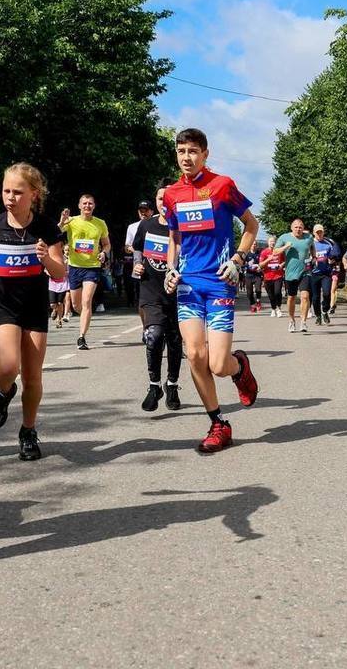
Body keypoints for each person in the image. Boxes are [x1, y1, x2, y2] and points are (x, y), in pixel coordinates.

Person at [163, 128, 260, 453]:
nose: (186, 157)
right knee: (194, 354)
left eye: (192, 151)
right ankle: (218, 423)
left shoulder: (222, 186)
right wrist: (171, 269)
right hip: (189, 285)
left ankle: (240, 367)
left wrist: (238, 259)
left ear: (205, 154)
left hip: (220, 280)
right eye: (181, 151)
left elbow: (251, 225)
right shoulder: (172, 194)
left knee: (218, 365)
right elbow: (175, 239)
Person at [0, 163, 67, 461]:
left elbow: (60, 270)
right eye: (6, 191)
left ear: (33, 195)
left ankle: (28, 431)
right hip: (5, 307)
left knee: (33, 377)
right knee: (9, 368)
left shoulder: (47, 227)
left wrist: (45, 259)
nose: (10, 197)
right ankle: (2, 393)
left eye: (18, 192)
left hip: (35, 308)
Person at [132, 185, 183, 412]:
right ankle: (154, 386)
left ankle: (172, 385)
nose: (164, 202)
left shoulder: (183, 227)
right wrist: (138, 264)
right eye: (161, 198)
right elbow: (137, 250)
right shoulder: (146, 225)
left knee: (174, 341)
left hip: (178, 292)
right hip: (151, 290)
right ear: (156, 201)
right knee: (153, 336)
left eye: (168, 199)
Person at [60, 194, 110, 350]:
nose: (87, 206)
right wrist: (62, 221)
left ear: (94, 206)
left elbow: (106, 244)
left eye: (90, 203)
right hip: (75, 266)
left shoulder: (100, 224)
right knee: (76, 305)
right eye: (85, 203)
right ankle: (84, 315)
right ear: (79, 205)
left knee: (86, 301)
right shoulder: (72, 221)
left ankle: (81, 337)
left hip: (93, 267)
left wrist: (104, 253)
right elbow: (54, 233)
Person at [273, 218, 315, 332]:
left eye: (300, 227)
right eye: (296, 227)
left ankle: (303, 322)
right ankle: (291, 320)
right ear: (292, 228)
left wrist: (314, 257)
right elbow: (275, 252)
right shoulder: (284, 237)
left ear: (303, 228)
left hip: (305, 271)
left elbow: (312, 246)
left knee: (305, 296)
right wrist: (285, 246)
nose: (298, 229)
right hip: (290, 273)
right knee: (291, 297)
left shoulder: (308, 237)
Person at [124, 200, 154, 310]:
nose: (143, 213)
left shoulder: (157, 224)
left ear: (151, 211)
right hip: (139, 262)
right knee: (140, 293)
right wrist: (136, 249)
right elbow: (127, 246)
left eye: (145, 210)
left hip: (156, 262)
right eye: (141, 211)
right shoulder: (132, 227)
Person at [309, 223, 338, 326]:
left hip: (326, 273)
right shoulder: (310, 243)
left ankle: (324, 311)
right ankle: (318, 316)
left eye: (321, 232)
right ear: (313, 233)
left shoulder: (328, 243)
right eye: (317, 232)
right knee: (315, 297)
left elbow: (333, 256)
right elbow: (305, 256)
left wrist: (332, 260)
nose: (319, 234)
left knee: (327, 294)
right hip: (314, 274)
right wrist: (311, 260)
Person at [259, 235, 285, 316]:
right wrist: (268, 259)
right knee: (271, 295)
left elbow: (284, 261)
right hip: (268, 277)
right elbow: (261, 265)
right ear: (268, 243)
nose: (272, 243)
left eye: (273, 241)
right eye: (270, 241)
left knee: (277, 292)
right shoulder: (264, 252)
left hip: (278, 275)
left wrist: (281, 265)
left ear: (275, 242)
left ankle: (279, 308)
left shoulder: (279, 251)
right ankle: (273, 309)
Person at [245, 245, 264, 312]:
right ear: (250, 245)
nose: (254, 245)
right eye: (252, 244)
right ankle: (252, 305)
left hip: (257, 275)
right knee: (249, 293)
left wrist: (260, 267)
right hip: (249, 275)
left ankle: (258, 301)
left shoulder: (259, 253)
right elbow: (243, 264)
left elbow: (262, 263)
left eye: (255, 244)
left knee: (258, 290)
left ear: (256, 245)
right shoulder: (247, 254)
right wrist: (247, 265)